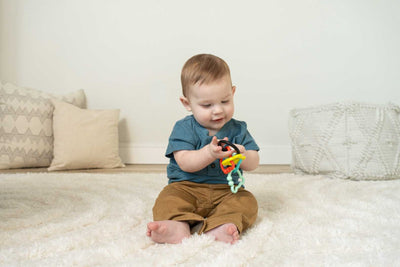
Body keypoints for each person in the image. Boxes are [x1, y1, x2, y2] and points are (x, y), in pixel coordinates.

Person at [146, 54, 260, 244]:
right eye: (207, 105)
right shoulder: (184, 128)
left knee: (247, 202)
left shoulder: (238, 129)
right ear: (187, 104)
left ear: (232, 93)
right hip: (186, 188)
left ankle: (221, 225)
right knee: (168, 199)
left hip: (226, 190)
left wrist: (242, 154)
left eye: (225, 101)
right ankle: (178, 225)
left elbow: (254, 162)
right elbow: (185, 162)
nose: (218, 110)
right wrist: (208, 153)